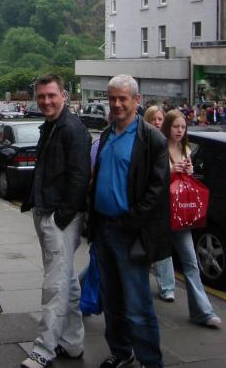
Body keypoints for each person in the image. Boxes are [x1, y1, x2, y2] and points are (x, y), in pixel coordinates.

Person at [89, 75, 170, 368]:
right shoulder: (108, 134)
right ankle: (122, 351)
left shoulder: (152, 139)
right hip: (103, 229)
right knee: (112, 300)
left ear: (137, 100)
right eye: (112, 98)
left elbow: (157, 190)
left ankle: (151, 361)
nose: (117, 104)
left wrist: (130, 220)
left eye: (123, 98)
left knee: (137, 304)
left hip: (129, 232)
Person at [20, 74, 90, 368]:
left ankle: (44, 350)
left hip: (59, 217)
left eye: (51, 95)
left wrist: (60, 218)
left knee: (55, 285)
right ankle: (72, 343)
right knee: (68, 283)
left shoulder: (72, 129)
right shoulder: (51, 126)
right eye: (41, 96)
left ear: (64, 95)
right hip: (48, 211)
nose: (46, 101)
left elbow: (79, 176)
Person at [160, 109, 221, 328]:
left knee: (190, 262)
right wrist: (169, 170)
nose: (179, 130)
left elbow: (187, 180)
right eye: (175, 126)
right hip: (157, 215)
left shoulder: (186, 148)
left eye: (183, 127)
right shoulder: (158, 148)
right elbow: (150, 178)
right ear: (167, 127)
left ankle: (202, 312)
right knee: (133, 258)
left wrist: (188, 169)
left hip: (178, 215)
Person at [143, 105, 176, 302]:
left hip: (167, 206)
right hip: (148, 206)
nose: (157, 122)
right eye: (153, 119)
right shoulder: (145, 143)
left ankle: (167, 286)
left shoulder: (171, 144)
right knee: (145, 249)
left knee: (164, 249)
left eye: (160, 119)